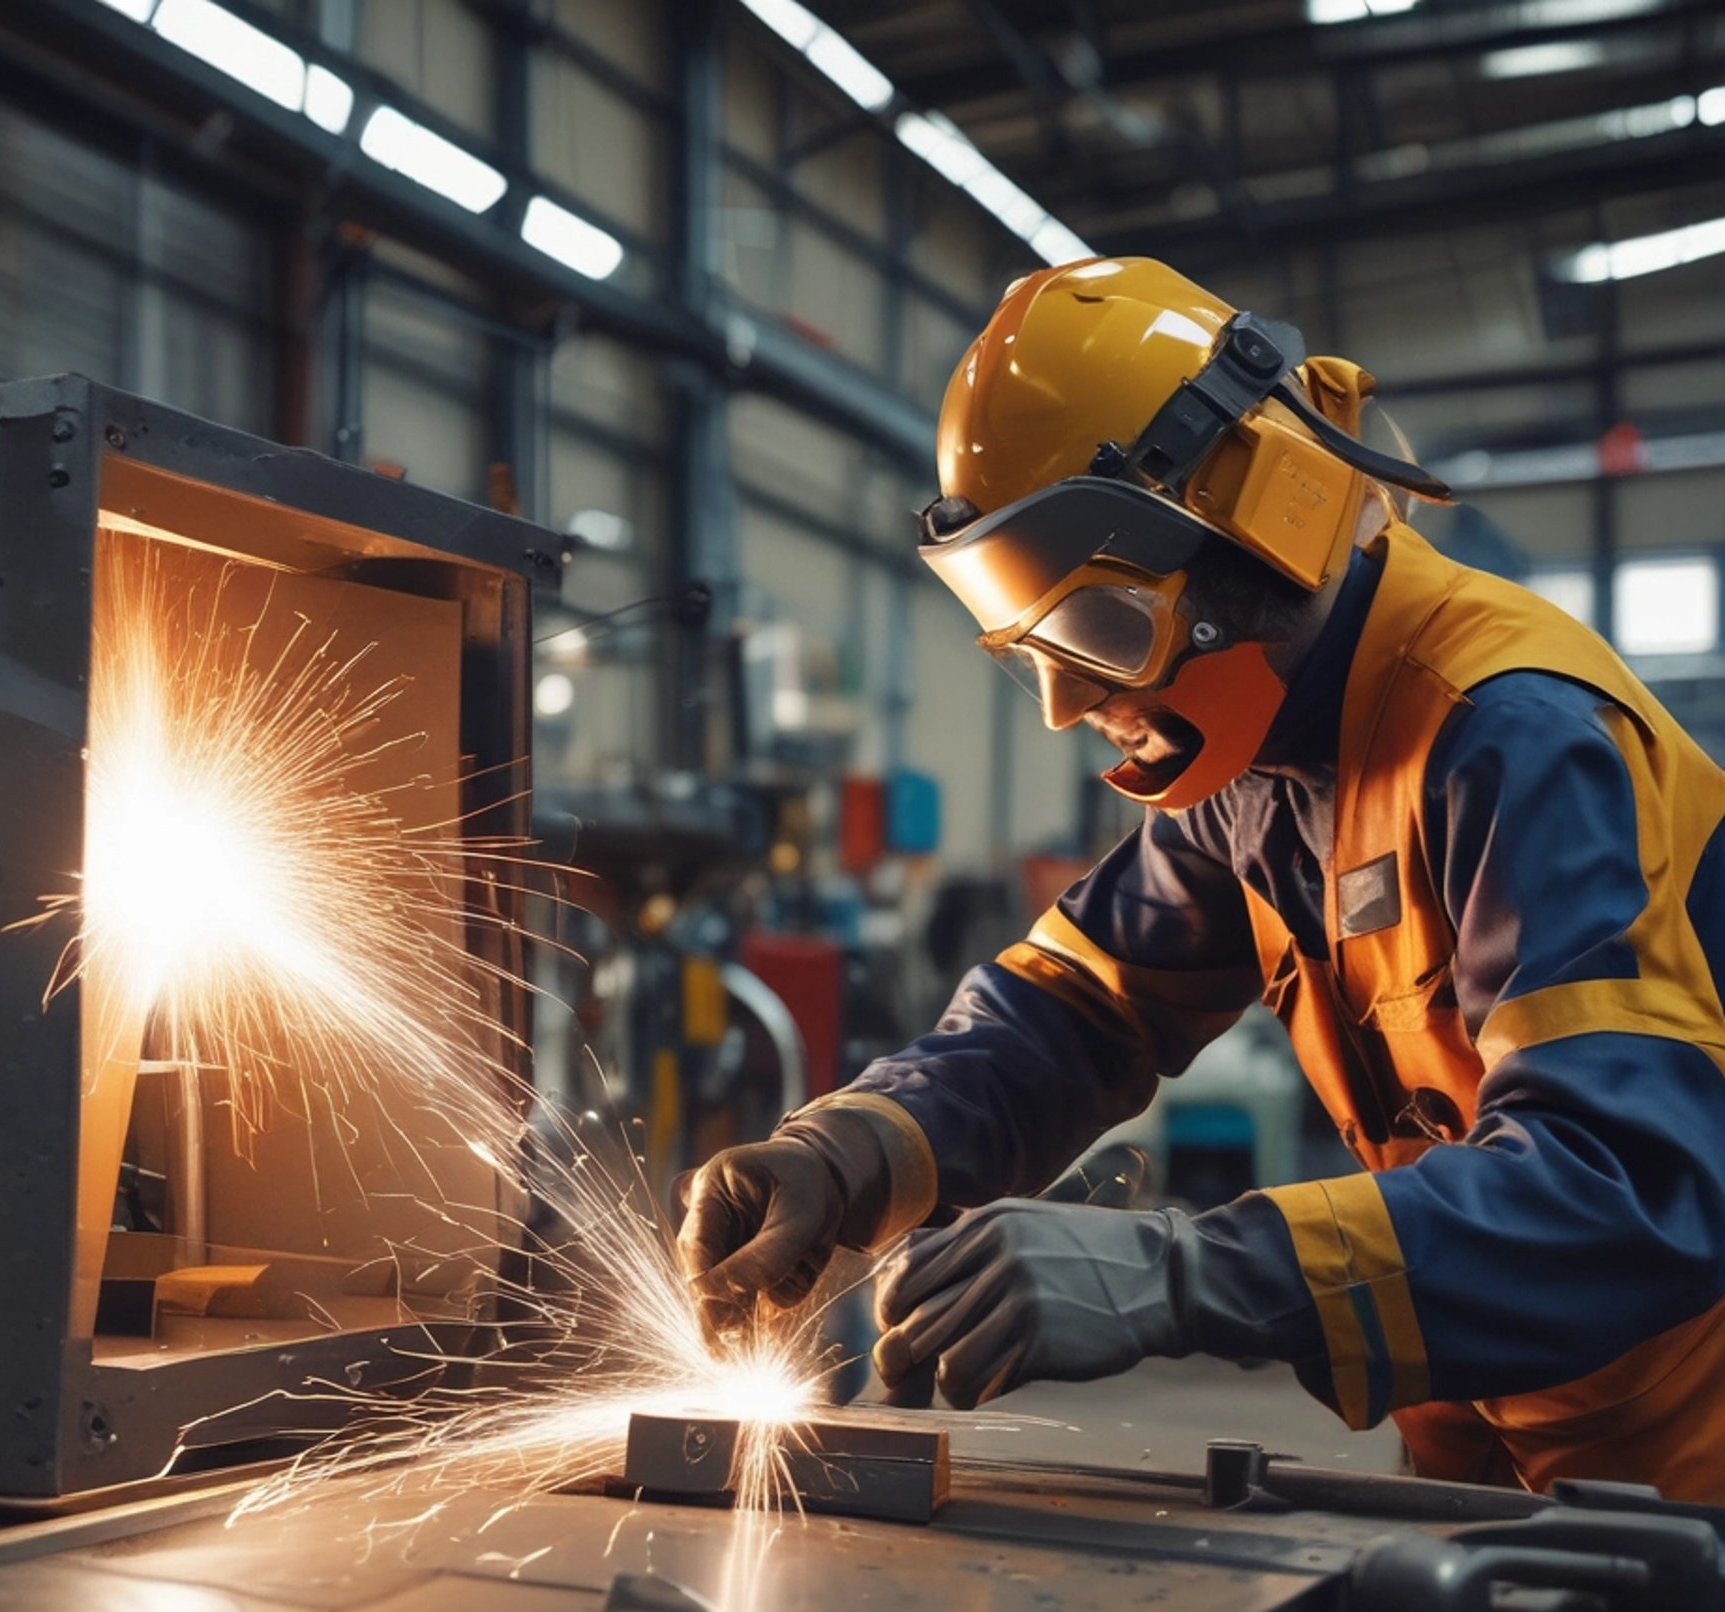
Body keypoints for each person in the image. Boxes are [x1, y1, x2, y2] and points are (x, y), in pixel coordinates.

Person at [679, 256, 1725, 1503]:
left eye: (1103, 635)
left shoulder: (1510, 734)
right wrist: (847, 1150)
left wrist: (1190, 1273)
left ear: (1261, 531)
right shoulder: (1259, 763)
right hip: (1490, 1443)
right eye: (1037, 652)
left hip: (1688, 1460)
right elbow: (1073, 1016)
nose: (1071, 704)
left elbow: (1622, 1195)